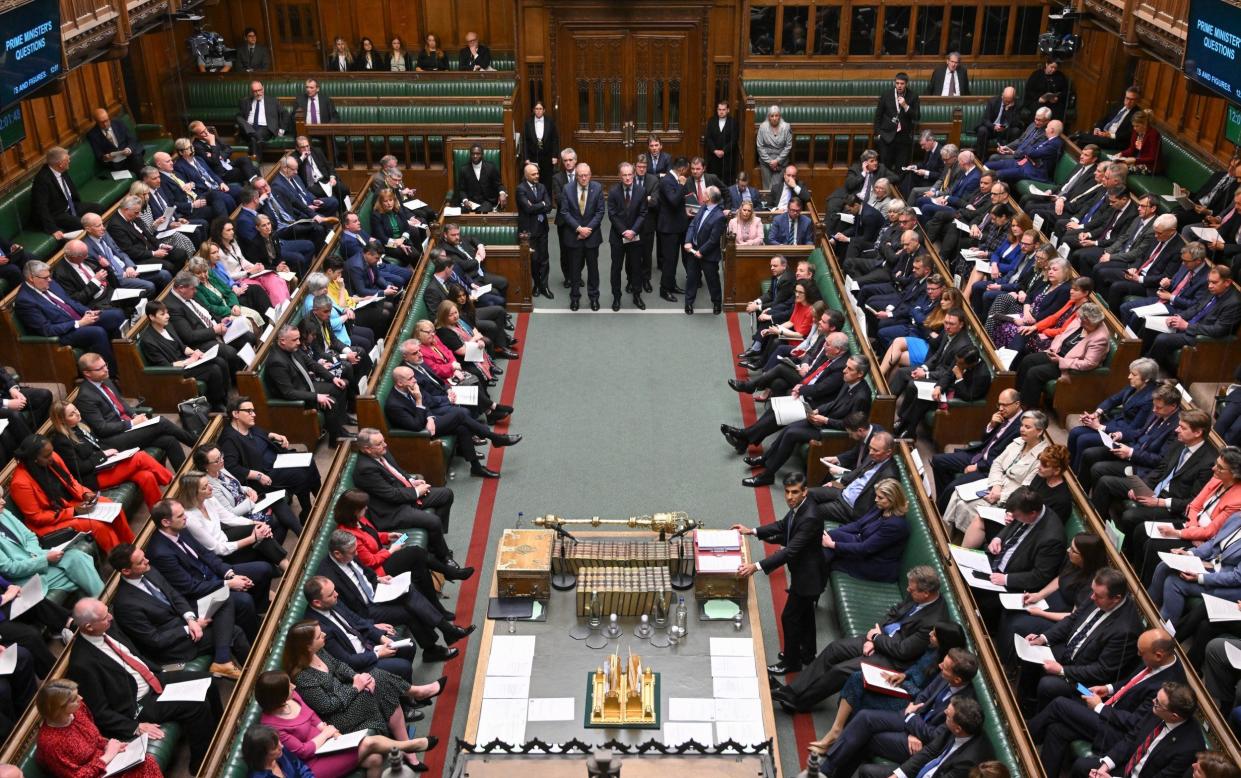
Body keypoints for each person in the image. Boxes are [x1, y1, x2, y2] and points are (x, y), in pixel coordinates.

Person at [67, 598, 220, 774]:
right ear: (89, 627)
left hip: (153, 678)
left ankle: (220, 733)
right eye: (104, 617)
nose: (110, 617)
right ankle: (202, 764)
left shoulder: (108, 626)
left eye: (107, 611)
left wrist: (161, 671)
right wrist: (134, 727)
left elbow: (135, 654)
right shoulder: (82, 664)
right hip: (137, 703)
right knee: (197, 705)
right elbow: (100, 712)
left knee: (210, 682)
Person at [771, 566, 947, 711]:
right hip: (880, 639)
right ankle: (791, 691)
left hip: (894, 660)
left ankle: (799, 702)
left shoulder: (933, 621)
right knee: (834, 649)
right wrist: (873, 637)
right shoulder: (916, 593)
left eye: (912, 590)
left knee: (841, 670)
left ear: (926, 593)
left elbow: (903, 651)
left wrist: (876, 639)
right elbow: (893, 613)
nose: (908, 590)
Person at [1030, 628, 1184, 776]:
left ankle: (1023, 739)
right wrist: (1108, 688)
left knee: (1060, 704)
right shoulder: (1157, 659)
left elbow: (1135, 723)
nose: (1138, 654)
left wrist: (1099, 706)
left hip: (1119, 733)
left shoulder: (1166, 689)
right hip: (1110, 708)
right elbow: (1132, 682)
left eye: (1141, 653)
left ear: (1158, 655)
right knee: (1057, 729)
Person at [281, 621, 434, 769]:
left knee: (376, 679)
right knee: (379, 682)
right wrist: (355, 688)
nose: (324, 634)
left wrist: (357, 677)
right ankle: (417, 695)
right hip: (338, 717)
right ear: (307, 646)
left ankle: (408, 744)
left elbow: (339, 665)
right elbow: (327, 706)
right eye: (318, 635)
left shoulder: (319, 651)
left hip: (347, 696)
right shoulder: (302, 677)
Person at [816, 646, 981, 778]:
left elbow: (936, 737)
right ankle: (826, 770)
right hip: (912, 720)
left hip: (920, 742)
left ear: (957, 680)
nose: (939, 666)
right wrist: (912, 722)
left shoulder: (963, 706)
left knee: (870, 738)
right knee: (865, 717)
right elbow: (923, 696)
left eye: (944, 667)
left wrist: (912, 723)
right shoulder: (945, 676)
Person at [808, 623, 967, 755]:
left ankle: (840, 737)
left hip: (909, 702)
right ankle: (836, 730)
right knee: (857, 678)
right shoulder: (933, 648)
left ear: (944, 640)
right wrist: (903, 676)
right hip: (903, 687)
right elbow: (916, 668)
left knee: (864, 697)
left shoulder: (945, 668)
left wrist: (904, 684)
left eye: (935, 634)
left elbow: (924, 696)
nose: (930, 634)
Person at [255, 672, 435, 777]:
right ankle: (411, 745)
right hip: (314, 763)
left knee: (375, 759)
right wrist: (325, 734)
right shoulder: (272, 725)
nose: (294, 687)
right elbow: (302, 751)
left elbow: (312, 717)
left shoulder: (293, 696)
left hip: (330, 743)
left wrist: (327, 730)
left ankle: (408, 747)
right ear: (276, 695)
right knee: (368, 742)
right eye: (288, 686)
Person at [733, 473, 827, 675]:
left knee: (789, 617)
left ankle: (791, 662)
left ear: (805, 492)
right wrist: (752, 531)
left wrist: (756, 566)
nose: (790, 497)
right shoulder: (799, 507)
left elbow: (790, 551)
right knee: (806, 615)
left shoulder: (810, 516)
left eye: (795, 492)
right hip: (807, 572)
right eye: (787, 492)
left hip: (808, 577)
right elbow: (783, 526)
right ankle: (807, 653)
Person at [108, 543, 248, 677]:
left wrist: (191, 619)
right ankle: (241, 670)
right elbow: (154, 640)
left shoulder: (149, 570)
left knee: (224, 598)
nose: (147, 560)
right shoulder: (125, 605)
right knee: (235, 632)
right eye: (140, 561)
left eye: (144, 556)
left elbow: (174, 595)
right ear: (126, 571)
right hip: (174, 644)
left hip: (184, 619)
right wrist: (189, 628)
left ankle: (222, 661)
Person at [1017, 567, 1141, 710]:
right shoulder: (1097, 595)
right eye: (1093, 591)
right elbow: (1072, 619)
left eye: (1098, 596)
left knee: (1048, 685)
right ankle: (1024, 707)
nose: (1092, 597)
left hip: (1087, 685)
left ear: (1116, 599)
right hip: (1070, 654)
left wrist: (1062, 671)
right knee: (1031, 649)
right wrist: (1044, 638)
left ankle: (1032, 722)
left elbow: (1102, 671)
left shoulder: (1126, 631)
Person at [9, 434, 134, 552]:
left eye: (51, 452)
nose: (52, 458)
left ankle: (131, 548)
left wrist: (84, 494)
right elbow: (37, 517)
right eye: (46, 456)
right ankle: (122, 561)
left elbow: (70, 480)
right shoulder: (20, 483)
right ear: (34, 459)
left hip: (70, 503)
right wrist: (73, 511)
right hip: (51, 521)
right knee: (98, 526)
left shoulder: (53, 457)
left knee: (112, 507)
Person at [75, 351, 198, 468]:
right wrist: (132, 423)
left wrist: (134, 416)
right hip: (112, 440)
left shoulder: (106, 380)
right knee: (161, 422)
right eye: (100, 369)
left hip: (126, 428)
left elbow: (121, 403)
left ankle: (186, 481)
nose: (106, 369)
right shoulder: (85, 397)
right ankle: (199, 446)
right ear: (87, 373)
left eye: (105, 365)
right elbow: (102, 429)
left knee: (169, 440)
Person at [48, 400, 173, 508]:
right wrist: (103, 455)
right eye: (72, 414)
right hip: (93, 478)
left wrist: (114, 455)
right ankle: (173, 483)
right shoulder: (61, 441)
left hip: (106, 467)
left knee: (146, 476)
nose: (77, 413)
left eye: (75, 409)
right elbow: (80, 468)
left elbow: (98, 445)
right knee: (140, 457)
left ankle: (160, 514)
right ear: (62, 421)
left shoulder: (80, 425)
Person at [941, 410, 1049, 533]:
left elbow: (1027, 488)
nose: (1022, 429)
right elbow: (997, 463)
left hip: (1011, 495)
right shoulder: (1018, 442)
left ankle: (962, 541)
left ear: (1039, 431)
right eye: (1022, 425)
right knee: (957, 494)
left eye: (1027, 427)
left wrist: (1000, 496)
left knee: (967, 506)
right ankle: (948, 536)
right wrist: (996, 485)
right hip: (995, 483)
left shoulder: (1043, 456)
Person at [219, 396, 322, 521]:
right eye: (249, 411)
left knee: (309, 460)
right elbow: (231, 468)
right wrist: (258, 475)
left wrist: (275, 435)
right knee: (300, 475)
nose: (254, 414)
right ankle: (308, 513)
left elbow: (260, 433)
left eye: (253, 410)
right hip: (264, 474)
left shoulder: (247, 426)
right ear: (235, 413)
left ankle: (320, 500)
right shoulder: (229, 439)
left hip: (278, 460)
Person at [14, 261, 126, 375]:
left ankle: (123, 360)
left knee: (116, 315)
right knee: (97, 332)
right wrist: (79, 323)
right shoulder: (25, 301)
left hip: (80, 319)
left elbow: (70, 302)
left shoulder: (49, 283)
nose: (50, 280)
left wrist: (88, 312)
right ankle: (112, 373)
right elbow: (46, 330)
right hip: (64, 333)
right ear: (31, 278)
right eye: (46, 277)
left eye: (49, 276)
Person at [35, 679, 162, 778]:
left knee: (146, 762)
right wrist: (107, 756)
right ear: (59, 709)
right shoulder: (50, 743)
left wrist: (111, 745)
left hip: (106, 762)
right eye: (74, 699)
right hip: (95, 772)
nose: (81, 698)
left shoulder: (78, 709)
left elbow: (95, 737)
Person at [1071, 682, 1203, 778]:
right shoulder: (1158, 710)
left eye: (1157, 703)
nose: (1153, 702)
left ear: (1174, 716)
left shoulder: (1189, 748)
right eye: (1156, 698)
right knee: (1080, 766)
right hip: (1125, 767)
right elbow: (1131, 738)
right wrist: (1105, 766)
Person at [0, 483, 103, 598]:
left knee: (78, 557)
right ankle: (104, 605)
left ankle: (101, 606)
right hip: (26, 578)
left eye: (1, 497)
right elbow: (10, 569)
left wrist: (38, 556)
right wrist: (43, 559)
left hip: (40, 557)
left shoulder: (4, 514)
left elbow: (30, 536)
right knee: (81, 574)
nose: (3, 502)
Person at [857, 697, 991, 778]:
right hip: (921, 772)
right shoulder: (952, 729)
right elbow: (928, 752)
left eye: (948, 715)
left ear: (958, 729)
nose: (944, 712)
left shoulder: (968, 761)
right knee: (866, 771)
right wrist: (898, 775)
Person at [265, 324, 353, 446]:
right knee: (331, 401)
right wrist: (316, 397)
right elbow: (289, 393)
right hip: (296, 398)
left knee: (339, 386)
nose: (298, 342)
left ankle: (340, 427)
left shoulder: (293, 349)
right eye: (295, 340)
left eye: (299, 338)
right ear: (282, 341)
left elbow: (312, 364)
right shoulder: (276, 362)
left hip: (306, 385)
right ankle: (336, 440)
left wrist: (332, 378)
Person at [1015, 303, 1110, 409]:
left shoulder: (1100, 338)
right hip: (1057, 353)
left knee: (1034, 373)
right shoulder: (1080, 320)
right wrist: (1054, 350)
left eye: (1086, 324)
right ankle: (1017, 398)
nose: (1082, 325)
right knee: (1028, 360)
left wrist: (1061, 361)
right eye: (1082, 322)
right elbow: (1062, 335)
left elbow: (1089, 363)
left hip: (1069, 366)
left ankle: (1027, 408)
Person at [820, 478, 910, 582]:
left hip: (875, 563)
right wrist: (833, 534)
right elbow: (859, 525)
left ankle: (811, 578)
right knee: (829, 536)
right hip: (862, 543)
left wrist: (832, 544)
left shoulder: (896, 525)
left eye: (880, 497)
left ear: (893, 500)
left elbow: (865, 548)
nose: (876, 499)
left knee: (832, 557)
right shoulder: (881, 506)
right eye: (877, 496)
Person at [31, 147, 104, 239]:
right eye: (67, 159)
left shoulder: (62, 170)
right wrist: (53, 229)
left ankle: (100, 236)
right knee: (82, 224)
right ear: (60, 164)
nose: (69, 160)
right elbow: (41, 207)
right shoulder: (42, 180)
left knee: (98, 209)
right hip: (57, 213)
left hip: (71, 205)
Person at [561, 162, 606, 311]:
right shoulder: (567, 189)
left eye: (586, 175)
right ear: (576, 176)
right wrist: (579, 229)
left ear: (590, 175)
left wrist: (588, 230)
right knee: (575, 271)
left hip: (592, 237)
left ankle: (594, 297)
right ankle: (575, 298)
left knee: (593, 270)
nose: (584, 178)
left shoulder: (597, 188)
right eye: (580, 175)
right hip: (574, 236)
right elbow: (565, 212)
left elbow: (600, 212)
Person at [607, 162, 648, 310]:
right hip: (618, 237)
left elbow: (643, 213)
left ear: (634, 174)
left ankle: (637, 295)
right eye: (624, 175)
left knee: (636, 268)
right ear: (619, 176)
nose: (627, 178)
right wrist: (624, 231)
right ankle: (616, 297)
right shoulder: (613, 192)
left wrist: (633, 231)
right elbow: (612, 214)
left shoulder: (641, 191)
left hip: (635, 237)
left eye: (630, 174)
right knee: (616, 269)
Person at [682, 186, 726, 315]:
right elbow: (692, 225)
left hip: (708, 255)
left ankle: (717, 303)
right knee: (691, 278)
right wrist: (688, 241)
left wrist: (701, 251)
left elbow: (713, 239)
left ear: (709, 198)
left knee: (712, 280)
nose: (702, 194)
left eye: (705, 193)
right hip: (693, 251)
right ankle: (688, 303)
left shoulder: (719, 216)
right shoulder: (702, 207)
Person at [517, 162, 554, 299]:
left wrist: (538, 205)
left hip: (542, 228)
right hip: (529, 231)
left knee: (544, 258)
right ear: (526, 175)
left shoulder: (542, 187)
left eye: (537, 173)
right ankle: (537, 285)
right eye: (533, 174)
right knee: (533, 260)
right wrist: (542, 204)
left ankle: (545, 286)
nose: (537, 176)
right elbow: (527, 208)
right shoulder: (521, 189)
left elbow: (549, 206)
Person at [874, 72, 920, 169]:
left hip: (903, 137)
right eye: (897, 83)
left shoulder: (913, 96)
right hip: (887, 136)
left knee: (901, 168)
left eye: (902, 84)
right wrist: (879, 133)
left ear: (906, 84)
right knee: (885, 167)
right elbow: (878, 115)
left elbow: (917, 117)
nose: (899, 86)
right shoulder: (886, 95)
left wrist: (905, 106)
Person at [1072, 86, 1140, 150]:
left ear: (1137, 100)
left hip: (1116, 141)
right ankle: (1079, 137)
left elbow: (1129, 134)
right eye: (1127, 98)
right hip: (1103, 134)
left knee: (1082, 141)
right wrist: (1097, 128)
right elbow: (1104, 119)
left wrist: (1111, 135)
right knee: (1082, 142)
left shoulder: (1137, 113)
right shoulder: (1118, 105)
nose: (1128, 101)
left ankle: (1079, 135)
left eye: (1132, 99)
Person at [85, 108, 145, 178]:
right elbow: (99, 155)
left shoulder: (118, 123)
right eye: (102, 122)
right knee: (138, 164)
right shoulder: (93, 134)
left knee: (136, 158)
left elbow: (132, 139)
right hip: (116, 163)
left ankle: (145, 179)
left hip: (130, 155)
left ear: (108, 117)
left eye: (106, 120)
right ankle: (146, 180)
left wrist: (128, 149)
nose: (105, 124)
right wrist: (105, 158)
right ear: (96, 122)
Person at [241, 724, 316, 778]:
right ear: (261, 755)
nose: (282, 746)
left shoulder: (281, 752)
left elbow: (301, 767)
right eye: (274, 748)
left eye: (279, 741)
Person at [522, 102, 560, 201]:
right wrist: (526, 158)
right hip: (533, 156)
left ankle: (548, 202)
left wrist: (555, 156)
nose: (538, 111)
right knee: (534, 178)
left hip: (547, 156)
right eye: (536, 108)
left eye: (540, 108)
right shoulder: (528, 122)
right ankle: (535, 201)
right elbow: (525, 141)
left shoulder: (550, 122)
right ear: (534, 110)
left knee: (547, 180)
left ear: (544, 110)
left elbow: (555, 139)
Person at [455, 144, 507, 213]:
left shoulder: (491, 168)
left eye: (478, 154)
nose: (475, 156)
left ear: (482, 154)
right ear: (470, 155)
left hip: (486, 201)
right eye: (473, 154)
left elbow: (499, 185)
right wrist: (465, 200)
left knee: (482, 212)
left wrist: (502, 193)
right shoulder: (464, 170)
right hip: (470, 202)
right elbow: (461, 190)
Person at [973, 86, 1022, 155]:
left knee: (1015, 131)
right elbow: (985, 119)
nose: (1006, 102)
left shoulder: (1017, 104)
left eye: (1009, 101)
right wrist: (994, 126)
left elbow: (1016, 123)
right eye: (1005, 100)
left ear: (1013, 99)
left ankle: (1009, 157)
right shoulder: (993, 101)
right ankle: (981, 158)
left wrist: (1008, 110)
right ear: (1002, 95)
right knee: (982, 130)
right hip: (992, 129)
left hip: (1006, 131)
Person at [1114, 109, 1162, 175]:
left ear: (1145, 124)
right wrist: (1121, 153)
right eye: (1133, 126)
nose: (1134, 128)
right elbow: (1131, 149)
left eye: (1137, 126)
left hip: (1149, 166)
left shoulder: (1153, 134)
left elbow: (1153, 158)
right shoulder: (1136, 132)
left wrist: (1135, 160)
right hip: (1136, 161)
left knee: (1118, 169)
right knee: (1113, 164)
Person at [1022, 58, 1071, 122]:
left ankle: (1053, 129)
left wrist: (1057, 98)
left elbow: (1065, 91)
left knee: (1057, 111)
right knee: (1039, 111)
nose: (1053, 70)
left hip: (1054, 103)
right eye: (1051, 67)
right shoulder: (1036, 74)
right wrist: (1039, 98)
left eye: (1055, 68)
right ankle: (1036, 130)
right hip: (1037, 101)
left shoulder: (1060, 76)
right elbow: (1029, 91)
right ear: (1046, 64)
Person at [756, 105, 792, 191]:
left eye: (776, 115)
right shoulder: (763, 127)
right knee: (766, 187)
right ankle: (767, 204)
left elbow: (788, 146)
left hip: (781, 162)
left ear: (780, 116)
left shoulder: (786, 127)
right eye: (772, 116)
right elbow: (759, 146)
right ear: (769, 117)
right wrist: (770, 162)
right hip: (766, 162)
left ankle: (774, 204)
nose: (774, 118)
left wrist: (777, 161)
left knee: (775, 187)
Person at [704, 101, 737, 181]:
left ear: (728, 110)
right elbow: (708, 138)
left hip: (727, 158)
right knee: (712, 181)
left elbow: (734, 140)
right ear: (717, 110)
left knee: (726, 182)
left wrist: (723, 151)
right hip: (713, 157)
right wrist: (715, 151)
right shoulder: (711, 121)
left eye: (723, 109)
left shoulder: (733, 122)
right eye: (719, 109)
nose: (721, 112)